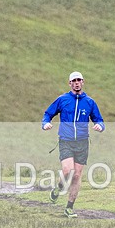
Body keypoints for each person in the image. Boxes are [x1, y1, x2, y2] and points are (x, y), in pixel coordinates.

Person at [42, 71, 105, 218]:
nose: (76, 82)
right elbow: (48, 114)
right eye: (74, 80)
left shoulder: (90, 102)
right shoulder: (62, 99)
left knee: (76, 175)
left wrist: (100, 127)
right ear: (69, 83)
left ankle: (69, 208)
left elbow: (99, 120)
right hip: (66, 141)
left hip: (82, 143)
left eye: (79, 80)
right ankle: (58, 189)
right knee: (67, 171)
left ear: (83, 82)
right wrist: (46, 123)